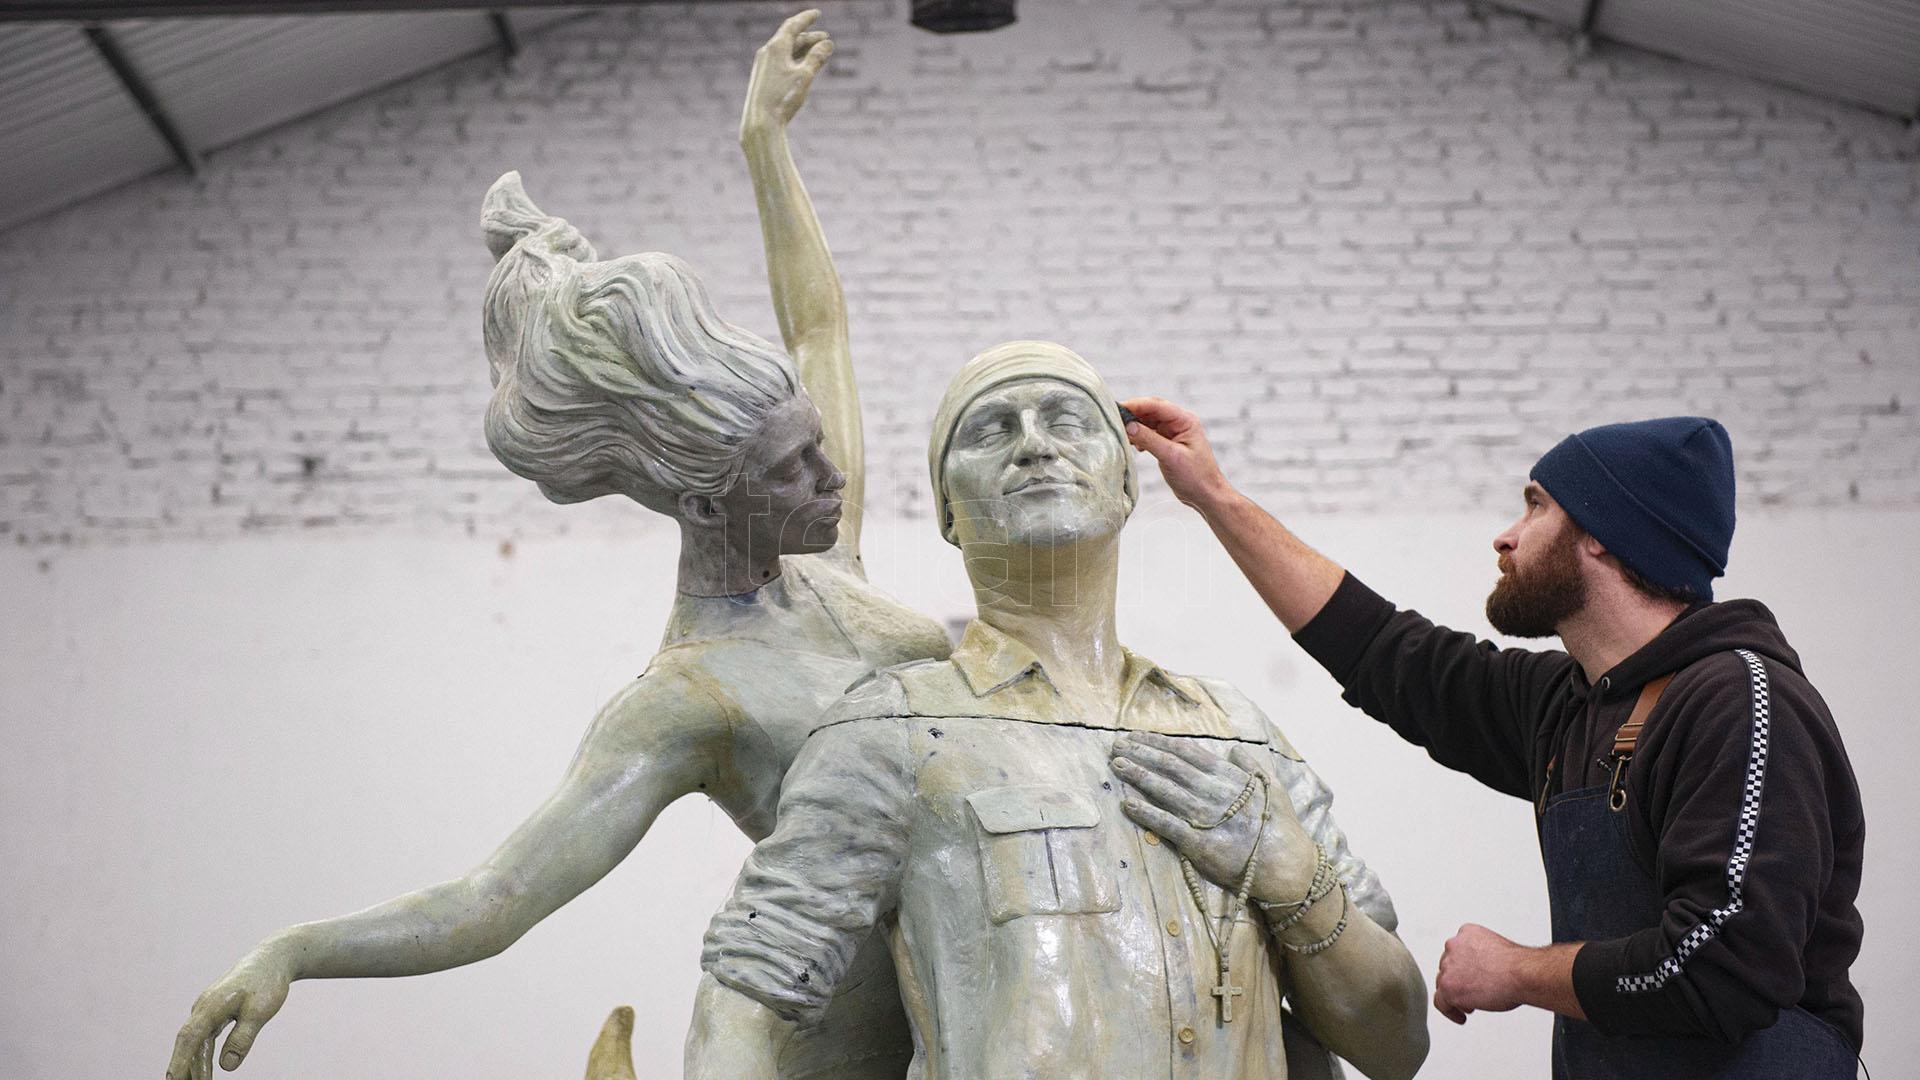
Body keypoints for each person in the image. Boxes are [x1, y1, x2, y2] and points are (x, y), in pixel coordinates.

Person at [164, 14, 949, 1080]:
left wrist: (764, 144)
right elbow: (493, 900)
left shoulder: (823, 558)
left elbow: (820, 330)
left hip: (982, 968)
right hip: (843, 1041)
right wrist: (293, 951)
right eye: (793, 468)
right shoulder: (687, 700)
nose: (833, 476)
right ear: (705, 502)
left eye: (817, 444)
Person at [684, 342, 1430, 1080]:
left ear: (1127, 485)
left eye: (1068, 420)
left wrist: (1292, 876)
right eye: (990, 430)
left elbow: (1396, 1046)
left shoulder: (1237, 733)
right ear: (948, 511)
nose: (1035, 445)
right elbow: (745, 1000)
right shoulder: (895, 731)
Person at [1121, 399, 1865, 1079]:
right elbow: (1383, 652)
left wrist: (1514, 970)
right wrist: (1212, 496)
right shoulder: (1572, 703)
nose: (1505, 536)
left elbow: (1721, 971)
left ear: (1602, 537)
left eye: (1536, 507)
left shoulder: (1740, 700)